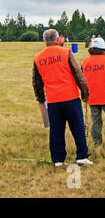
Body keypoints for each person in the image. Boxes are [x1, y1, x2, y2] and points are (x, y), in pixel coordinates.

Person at [32, 29, 92, 167]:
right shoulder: (66, 52)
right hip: (70, 97)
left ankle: (58, 159)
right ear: (58, 39)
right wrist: (85, 92)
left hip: (53, 100)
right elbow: (78, 73)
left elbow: (36, 82)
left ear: (44, 41)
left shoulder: (37, 57)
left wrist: (41, 99)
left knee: (56, 130)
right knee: (78, 128)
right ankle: (82, 156)